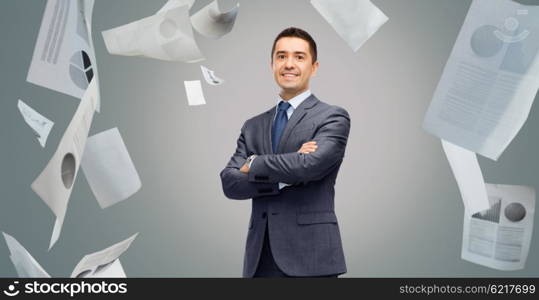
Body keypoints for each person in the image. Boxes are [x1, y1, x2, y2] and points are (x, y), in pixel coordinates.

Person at [220, 27, 350, 278]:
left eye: (299, 57)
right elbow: (230, 183)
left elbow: (309, 166)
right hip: (260, 258)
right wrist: (284, 175)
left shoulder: (332, 116)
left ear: (314, 67)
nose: (289, 64)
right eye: (281, 56)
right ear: (272, 65)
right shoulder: (253, 125)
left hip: (311, 256)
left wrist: (254, 163)